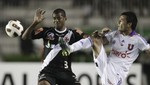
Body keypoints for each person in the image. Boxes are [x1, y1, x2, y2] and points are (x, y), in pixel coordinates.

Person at [58, 11, 150, 85]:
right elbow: (101, 41)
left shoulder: (138, 40)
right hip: (105, 63)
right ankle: (68, 49)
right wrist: (100, 35)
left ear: (129, 24)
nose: (118, 23)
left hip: (116, 74)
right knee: (94, 40)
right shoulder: (115, 33)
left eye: (121, 21)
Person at [22, 8, 85, 85]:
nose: (56, 20)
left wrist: (97, 36)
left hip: (65, 72)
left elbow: (89, 39)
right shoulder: (46, 31)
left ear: (65, 18)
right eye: (54, 18)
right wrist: (35, 23)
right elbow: (25, 37)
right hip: (48, 71)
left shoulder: (73, 33)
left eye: (59, 18)